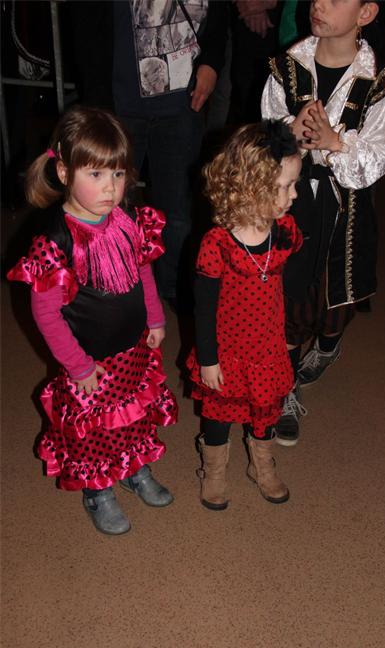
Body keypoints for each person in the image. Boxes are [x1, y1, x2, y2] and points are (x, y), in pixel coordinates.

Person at [7, 106, 178, 535]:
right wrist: (78, 365)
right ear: (64, 172)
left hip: (132, 349)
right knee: (95, 428)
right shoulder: (54, 240)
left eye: (118, 174)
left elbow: (142, 271)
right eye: (96, 174)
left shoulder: (128, 220)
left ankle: (133, 466)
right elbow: (45, 314)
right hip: (88, 362)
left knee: (133, 412)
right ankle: (97, 489)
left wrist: (155, 316)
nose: (111, 187)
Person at [261, 0, 385, 446]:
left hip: (346, 211)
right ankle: (285, 388)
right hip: (293, 202)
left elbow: (380, 155)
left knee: (334, 300)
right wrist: (289, 133)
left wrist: (335, 143)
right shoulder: (286, 70)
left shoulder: (380, 83)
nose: (319, 4)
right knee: (287, 297)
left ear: (365, 14)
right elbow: (265, 134)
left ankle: (328, 344)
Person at [69, 1, 228, 310]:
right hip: (119, 106)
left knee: (178, 211)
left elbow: (219, 14)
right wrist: (98, 106)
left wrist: (211, 62)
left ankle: (173, 289)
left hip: (183, 104)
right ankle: (114, 288)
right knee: (108, 209)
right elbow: (86, 28)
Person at [187, 120, 303, 510]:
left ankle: (262, 464)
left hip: (267, 347)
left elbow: (294, 280)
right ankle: (214, 470)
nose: (294, 194)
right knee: (219, 415)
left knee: (265, 411)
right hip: (227, 350)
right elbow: (203, 308)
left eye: (294, 184)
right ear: (251, 186)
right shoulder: (218, 243)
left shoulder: (284, 231)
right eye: (285, 186)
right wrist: (208, 359)